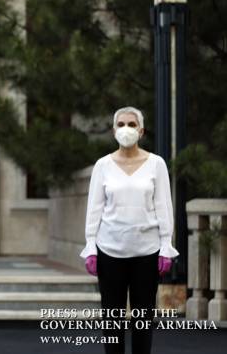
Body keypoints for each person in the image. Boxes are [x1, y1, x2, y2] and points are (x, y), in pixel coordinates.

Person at [80, 106, 179, 354]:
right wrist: (91, 246)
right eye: (121, 124)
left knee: (143, 319)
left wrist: (166, 246)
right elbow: (94, 209)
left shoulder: (156, 164)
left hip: (147, 252)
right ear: (114, 130)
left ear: (141, 131)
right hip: (109, 251)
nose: (126, 129)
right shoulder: (102, 165)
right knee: (111, 319)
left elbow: (164, 206)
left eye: (132, 124)